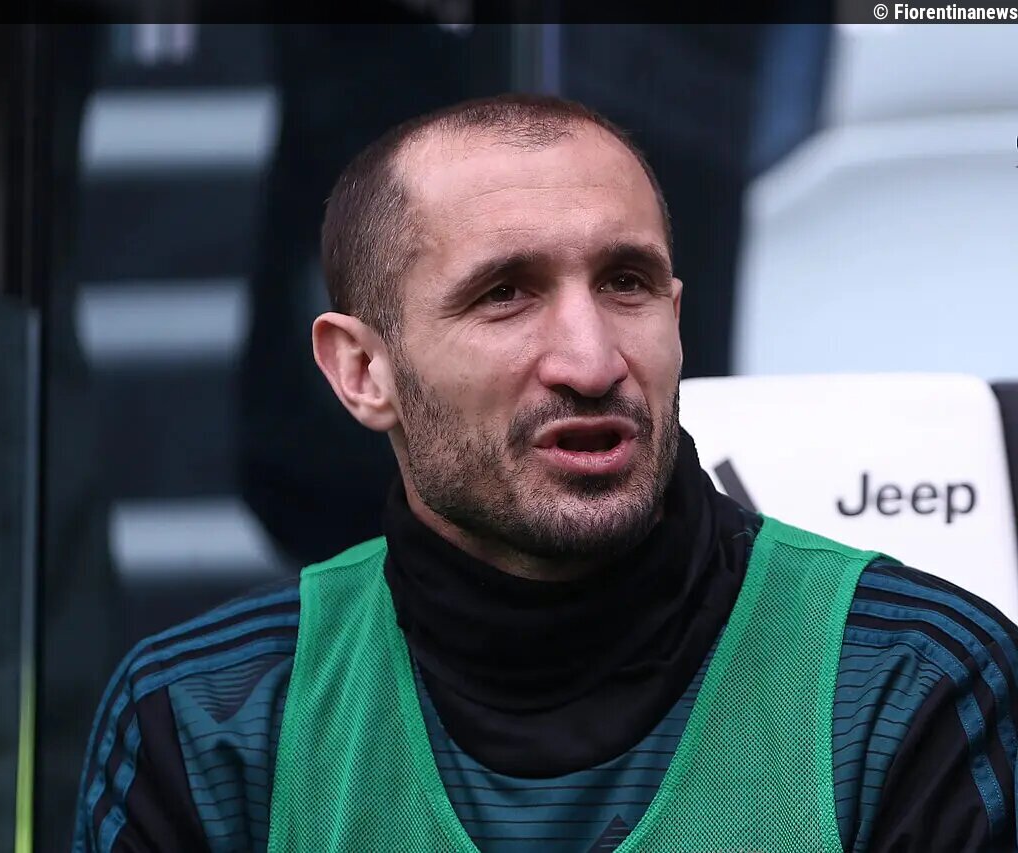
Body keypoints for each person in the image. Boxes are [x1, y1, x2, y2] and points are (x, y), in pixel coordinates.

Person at [73, 93, 1018, 851]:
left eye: (626, 283)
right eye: (505, 294)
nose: (592, 360)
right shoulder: (209, 724)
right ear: (362, 370)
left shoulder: (911, 685)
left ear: (677, 316)